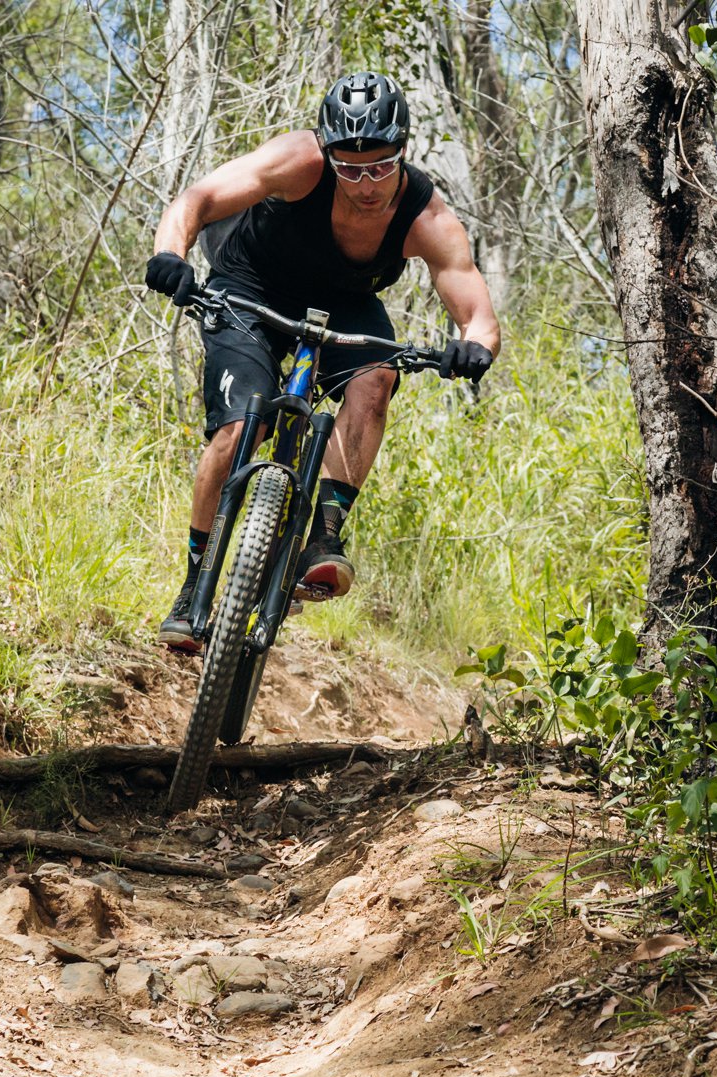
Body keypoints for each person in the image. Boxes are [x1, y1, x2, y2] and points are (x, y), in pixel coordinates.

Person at [144, 70, 500, 652]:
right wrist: (169, 255)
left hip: (343, 303)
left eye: (381, 165)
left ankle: (323, 538)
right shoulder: (299, 160)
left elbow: (475, 305)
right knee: (241, 429)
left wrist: (475, 346)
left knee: (377, 375)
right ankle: (193, 585)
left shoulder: (425, 214)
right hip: (250, 288)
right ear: (329, 154)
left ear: (403, 151)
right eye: (350, 167)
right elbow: (198, 200)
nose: (366, 182)